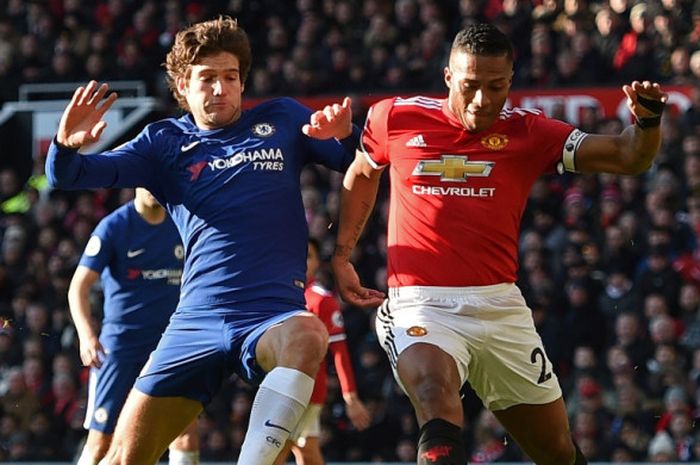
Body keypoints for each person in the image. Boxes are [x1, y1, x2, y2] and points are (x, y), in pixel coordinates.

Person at [331, 23, 667, 465]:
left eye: (496, 87)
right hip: (420, 304)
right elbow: (362, 171)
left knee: (556, 451)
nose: (482, 100)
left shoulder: (530, 133)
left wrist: (647, 121)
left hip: (500, 307)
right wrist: (341, 253)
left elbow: (629, 157)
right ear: (448, 76)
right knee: (435, 395)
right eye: (470, 86)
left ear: (511, 81)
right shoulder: (395, 117)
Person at [46, 16, 358, 465]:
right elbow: (67, 176)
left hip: (269, 315)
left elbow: (352, 157)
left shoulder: (283, 119)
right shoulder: (163, 142)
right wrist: (66, 144)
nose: (220, 88)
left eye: (230, 77)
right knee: (121, 458)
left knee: (309, 333)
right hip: (194, 324)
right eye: (207, 78)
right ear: (183, 86)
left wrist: (344, 133)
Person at [69, 188, 199, 465]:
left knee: (185, 435)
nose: (154, 188)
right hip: (121, 348)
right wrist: (86, 336)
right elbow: (78, 287)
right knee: (101, 442)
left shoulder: (182, 221)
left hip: (170, 346)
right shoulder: (114, 226)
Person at [273, 238, 371, 465]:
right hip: (274, 385)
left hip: (306, 390)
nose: (303, 262)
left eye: (309, 256)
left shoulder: (322, 301)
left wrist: (350, 397)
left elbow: (339, 351)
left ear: (318, 262)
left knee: (276, 450)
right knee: (304, 451)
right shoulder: (274, 296)